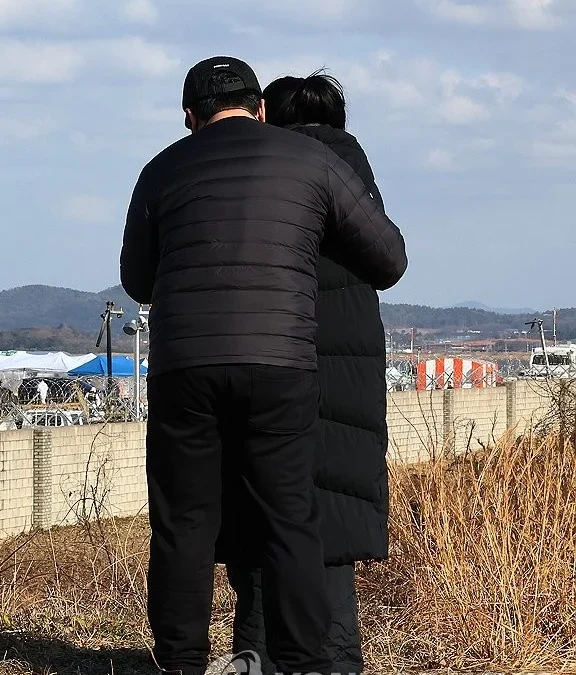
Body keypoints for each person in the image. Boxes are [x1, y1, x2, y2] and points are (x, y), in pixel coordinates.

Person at [120, 56, 407, 675]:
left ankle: (181, 663)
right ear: (261, 108)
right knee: (291, 518)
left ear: (189, 117)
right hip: (281, 364)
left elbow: (138, 281)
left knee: (184, 524)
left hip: (186, 367)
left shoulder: (161, 169)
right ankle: (304, 664)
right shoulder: (313, 162)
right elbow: (388, 259)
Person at [216, 72, 390, 675]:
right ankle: (335, 660)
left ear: (270, 119)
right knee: (331, 528)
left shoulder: (266, 173)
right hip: (347, 372)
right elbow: (388, 258)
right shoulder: (353, 175)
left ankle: (258, 657)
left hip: (266, 357)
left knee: (262, 518)